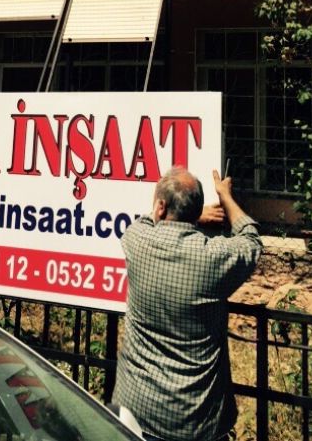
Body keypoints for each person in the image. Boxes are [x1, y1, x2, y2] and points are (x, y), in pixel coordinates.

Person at [113, 166, 262, 441]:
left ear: (161, 206)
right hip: (194, 422)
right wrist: (225, 196)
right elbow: (251, 240)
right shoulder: (214, 257)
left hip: (135, 412)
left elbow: (147, 219)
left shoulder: (135, 239)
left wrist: (193, 214)